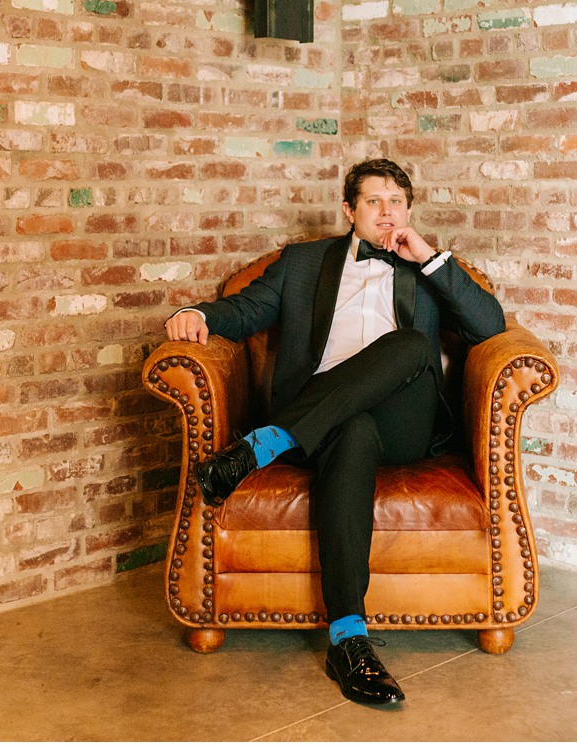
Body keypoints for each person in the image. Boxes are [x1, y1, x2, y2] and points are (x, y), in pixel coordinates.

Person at [164, 157, 505, 706]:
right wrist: (193, 313)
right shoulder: (303, 264)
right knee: (352, 431)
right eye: (374, 201)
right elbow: (247, 310)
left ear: (410, 210)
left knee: (413, 345)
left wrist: (430, 259)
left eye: (397, 201)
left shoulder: (430, 267)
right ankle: (350, 641)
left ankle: (261, 446)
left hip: (406, 422)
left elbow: (491, 327)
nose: (387, 212)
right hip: (327, 423)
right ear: (349, 211)